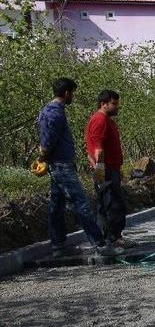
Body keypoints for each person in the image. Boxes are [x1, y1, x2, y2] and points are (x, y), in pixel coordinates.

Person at [38, 78, 121, 257]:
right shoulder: (54, 113)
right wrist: (43, 156)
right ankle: (99, 244)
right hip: (61, 165)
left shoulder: (49, 110)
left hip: (58, 164)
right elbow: (48, 141)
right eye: (72, 93)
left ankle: (59, 246)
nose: (72, 97)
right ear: (67, 92)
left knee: (57, 204)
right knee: (81, 203)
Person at [85, 89, 135, 248]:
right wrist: (100, 171)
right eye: (113, 103)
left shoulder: (106, 120)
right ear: (103, 104)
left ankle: (106, 239)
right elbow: (97, 149)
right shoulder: (100, 120)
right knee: (113, 204)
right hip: (105, 170)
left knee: (106, 204)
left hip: (110, 168)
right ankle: (113, 238)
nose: (117, 107)